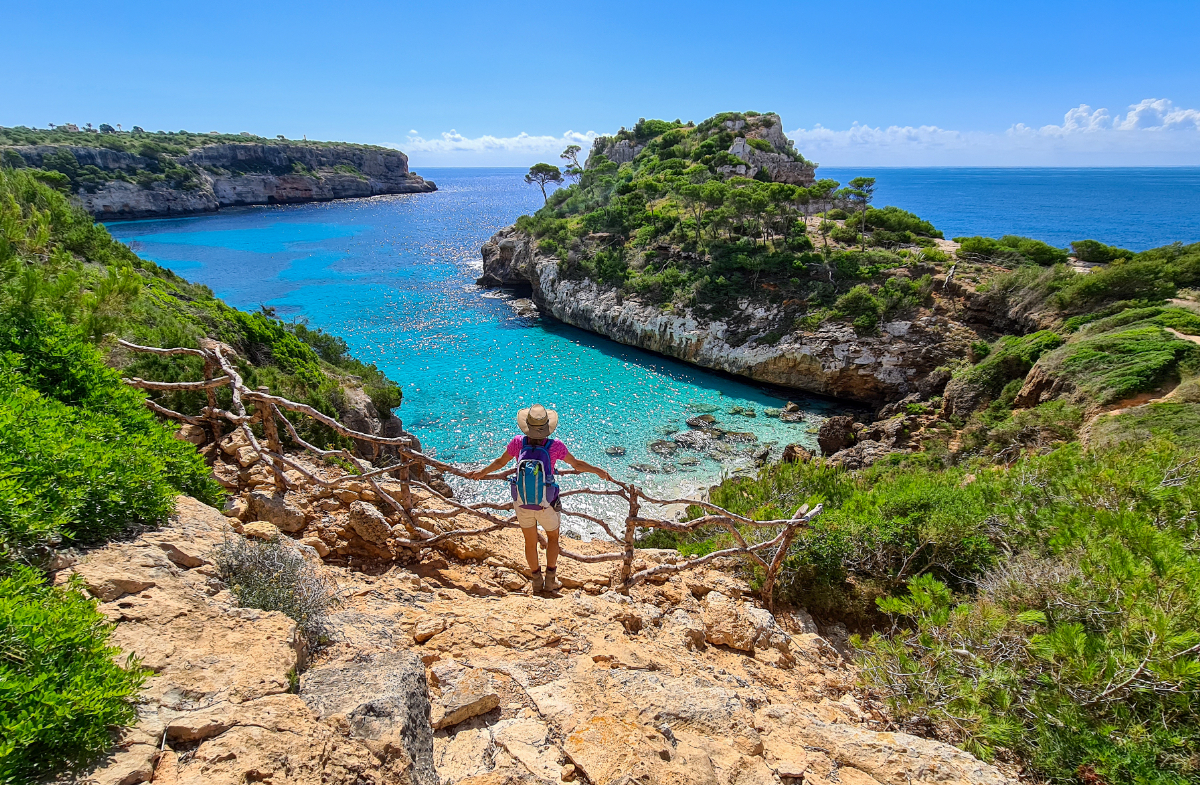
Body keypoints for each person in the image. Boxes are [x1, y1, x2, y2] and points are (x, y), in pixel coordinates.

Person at [468, 404, 614, 592]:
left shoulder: (518, 442)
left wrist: (481, 473)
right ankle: (550, 580)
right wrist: (598, 471)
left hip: (522, 501)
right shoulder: (555, 446)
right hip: (546, 502)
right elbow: (577, 464)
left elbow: (499, 462)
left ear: (527, 426)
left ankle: (536, 582)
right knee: (553, 538)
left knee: (530, 542)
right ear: (547, 427)